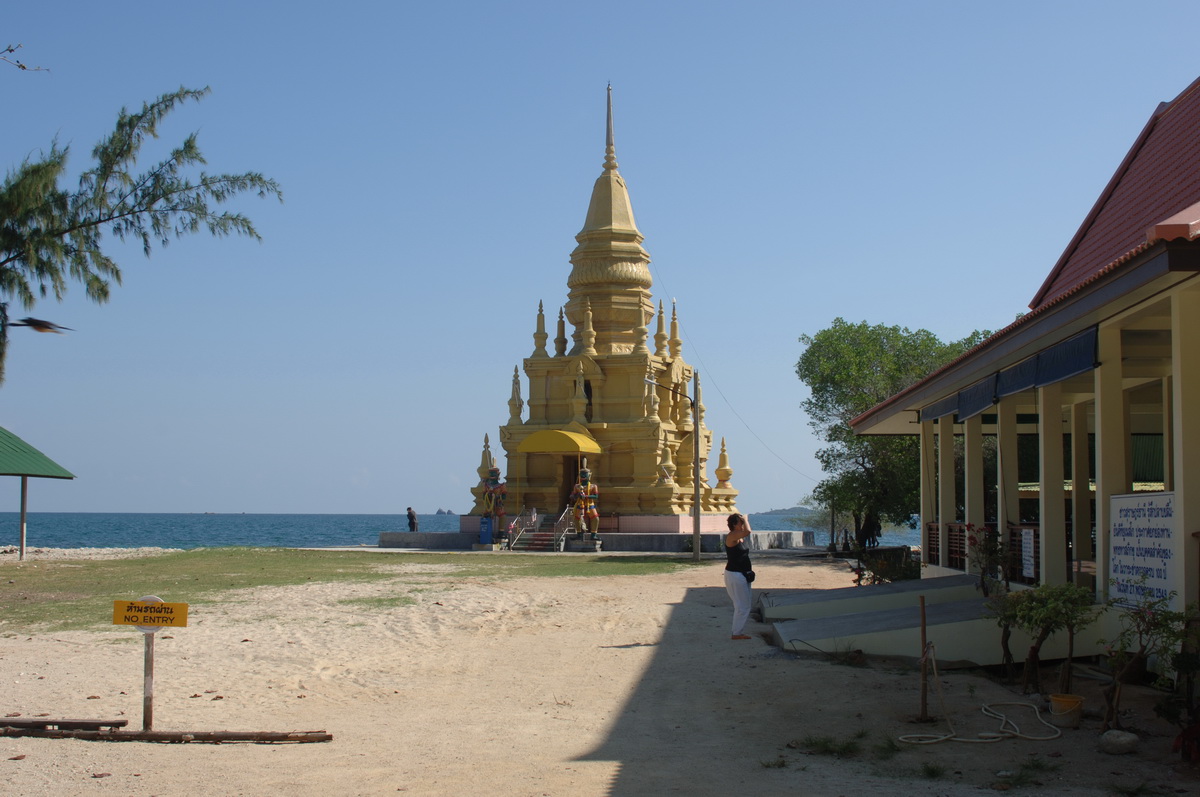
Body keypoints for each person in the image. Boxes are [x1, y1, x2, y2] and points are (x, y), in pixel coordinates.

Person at [723, 512, 755, 640]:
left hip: (741, 574)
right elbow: (748, 531)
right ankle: (736, 633)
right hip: (735, 575)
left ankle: (737, 631)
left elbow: (745, 534)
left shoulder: (738, 536)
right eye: (740, 522)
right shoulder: (732, 536)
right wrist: (745, 519)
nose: (742, 524)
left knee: (741, 604)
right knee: (743, 605)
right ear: (735, 524)